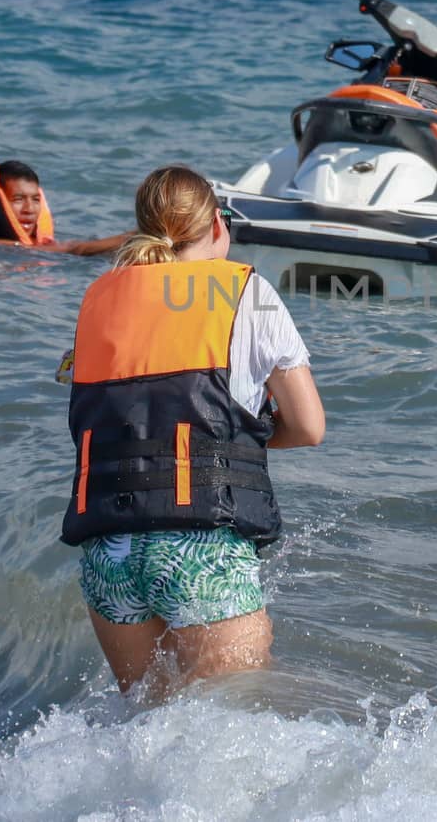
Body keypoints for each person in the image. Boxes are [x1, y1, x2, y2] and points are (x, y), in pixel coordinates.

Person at [58, 165, 325, 695]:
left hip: (110, 554)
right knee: (235, 729)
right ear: (218, 228)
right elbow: (309, 426)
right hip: (201, 550)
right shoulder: (248, 291)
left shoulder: (99, 298)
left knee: (144, 725)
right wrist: (237, 444)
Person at [0, 160, 132, 256]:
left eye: (36, 199)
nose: (29, 209)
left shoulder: (40, 242)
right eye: (18, 199)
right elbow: (74, 249)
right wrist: (132, 236)